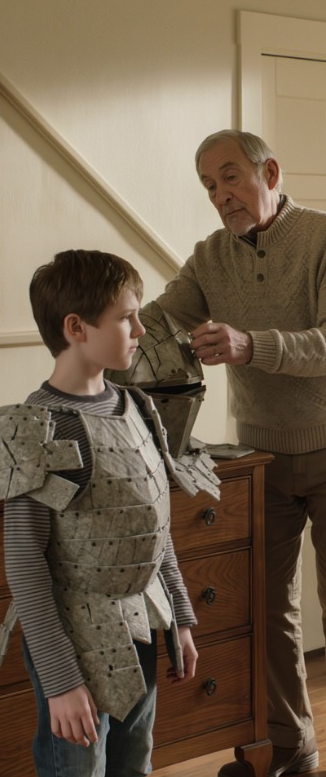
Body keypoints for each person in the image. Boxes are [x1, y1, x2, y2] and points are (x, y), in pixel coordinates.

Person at [154, 129, 326, 777]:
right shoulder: (209, 257)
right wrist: (97, 323)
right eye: (208, 185)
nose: (220, 194)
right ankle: (291, 741)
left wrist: (250, 345)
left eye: (229, 177)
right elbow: (159, 321)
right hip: (261, 454)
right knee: (267, 603)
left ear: (270, 173)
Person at [0, 249, 201, 776]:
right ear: (76, 328)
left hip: (143, 621)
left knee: (134, 764)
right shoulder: (38, 429)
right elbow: (25, 564)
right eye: (126, 317)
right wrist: (61, 680)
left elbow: (154, 525)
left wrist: (180, 616)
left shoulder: (138, 407)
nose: (141, 329)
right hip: (72, 640)